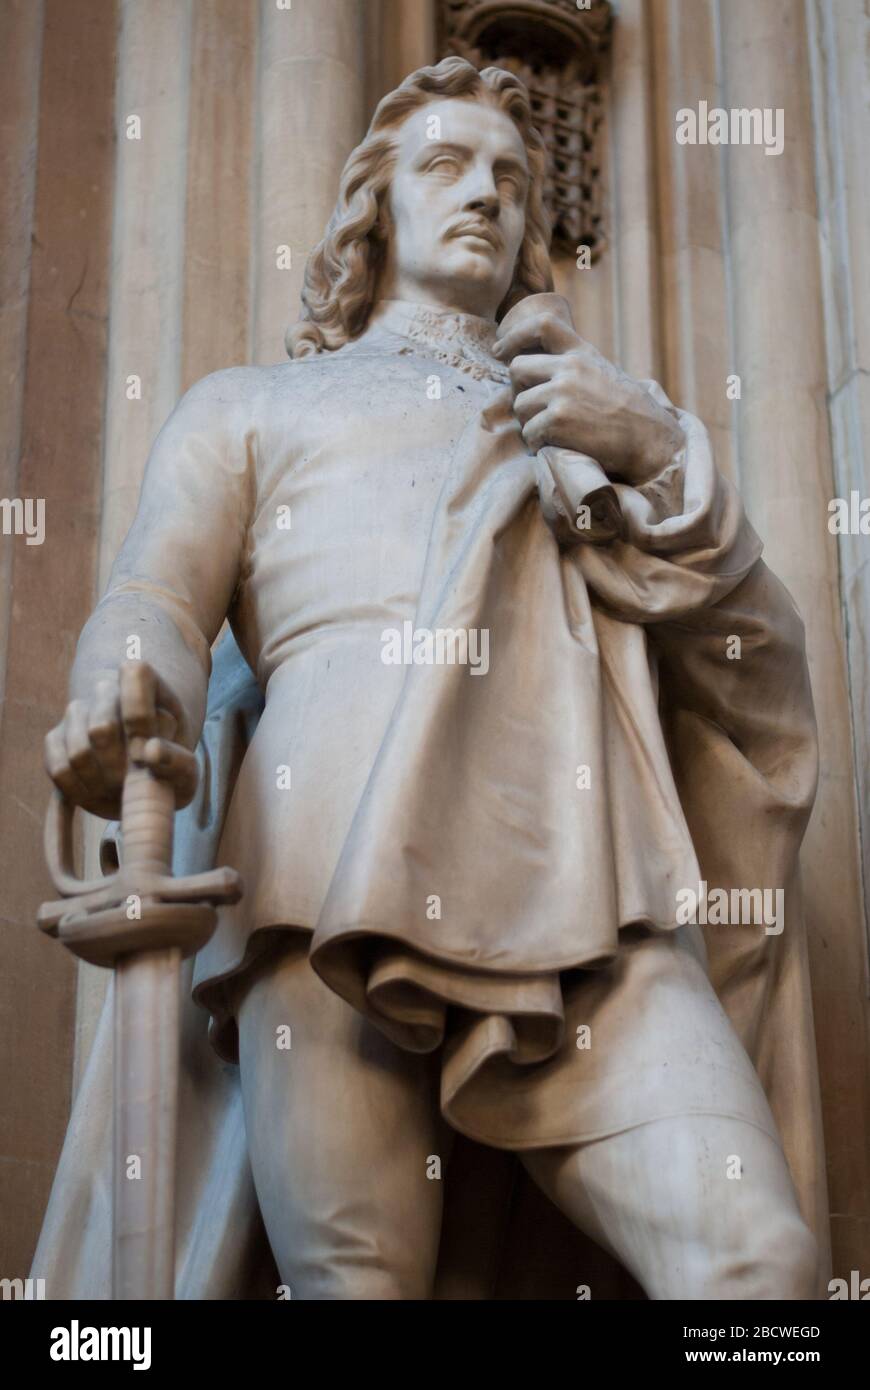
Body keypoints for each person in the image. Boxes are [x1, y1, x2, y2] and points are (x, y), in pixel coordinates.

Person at [44, 57, 820, 1300]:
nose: (487, 195)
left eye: (511, 177)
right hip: (324, 865)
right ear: (377, 208)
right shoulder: (255, 409)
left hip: (590, 886)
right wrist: (126, 693)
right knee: (361, 1286)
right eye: (446, 166)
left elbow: (759, 666)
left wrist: (659, 448)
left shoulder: (591, 432)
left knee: (762, 1266)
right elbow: (155, 601)